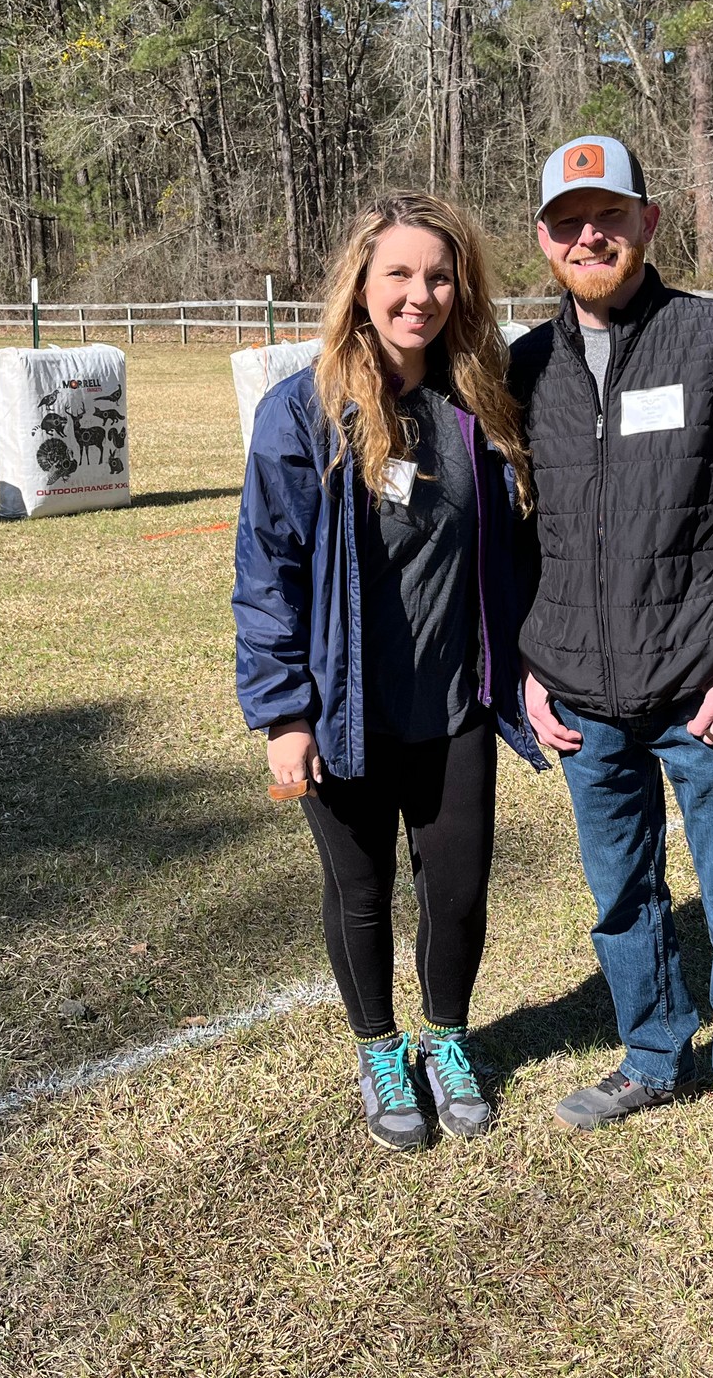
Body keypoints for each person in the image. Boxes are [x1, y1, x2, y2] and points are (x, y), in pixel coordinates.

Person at [507, 136, 713, 1215]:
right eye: (564, 221)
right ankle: (650, 1055)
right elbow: (512, 542)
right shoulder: (522, 367)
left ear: (647, 222)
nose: (585, 236)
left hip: (702, 697)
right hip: (581, 704)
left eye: (606, 214)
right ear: (543, 239)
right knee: (618, 899)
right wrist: (527, 668)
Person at [234, 192, 548, 1152]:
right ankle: (381, 1052)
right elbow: (268, 571)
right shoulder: (304, 412)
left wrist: (528, 670)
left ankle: (447, 1041)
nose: (421, 295)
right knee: (361, 893)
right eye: (400, 275)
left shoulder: (478, 404)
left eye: (440, 276)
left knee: (457, 893)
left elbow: (516, 557)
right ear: (361, 286)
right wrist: (285, 714)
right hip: (345, 711)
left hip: (454, 704)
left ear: (463, 288)